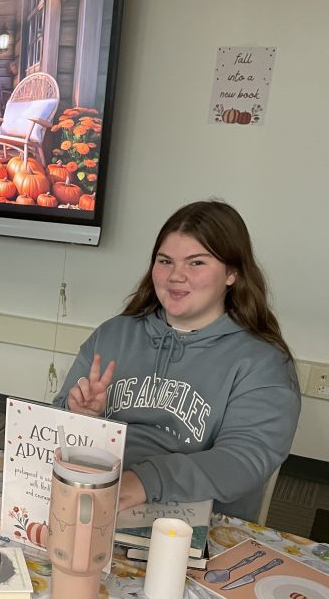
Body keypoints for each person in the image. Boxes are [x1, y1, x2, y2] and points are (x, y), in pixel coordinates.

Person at [53, 200, 300, 521]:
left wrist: (144, 480)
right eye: (165, 261)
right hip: (95, 495)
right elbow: (53, 426)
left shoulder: (263, 361)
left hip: (196, 518)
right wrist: (81, 416)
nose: (175, 276)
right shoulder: (113, 334)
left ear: (232, 273)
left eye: (196, 263)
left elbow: (245, 459)